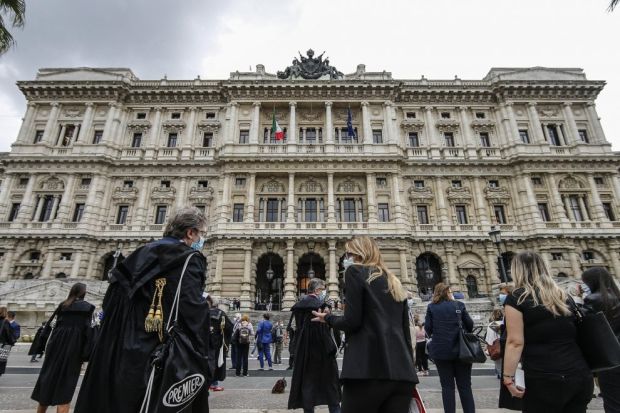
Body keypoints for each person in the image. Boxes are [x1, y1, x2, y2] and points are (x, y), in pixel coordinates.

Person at [74, 207, 211, 413]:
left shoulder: (138, 254)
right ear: (190, 233)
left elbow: (110, 304)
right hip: (159, 352)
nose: (201, 239)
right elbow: (192, 311)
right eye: (201, 234)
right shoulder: (188, 259)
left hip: (119, 351)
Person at [313, 236, 418, 413]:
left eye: (349, 254)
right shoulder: (394, 281)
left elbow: (352, 321)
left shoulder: (355, 272)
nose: (347, 258)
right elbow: (405, 332)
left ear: (359, 255)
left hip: (368, 370)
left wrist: (328, 319)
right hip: (402, 374)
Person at [503, 251, 592, 412]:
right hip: (579, 374)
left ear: (517, 271)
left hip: (545, 377)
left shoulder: (517, 298)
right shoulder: (563, 296)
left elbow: (515, 342)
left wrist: (508, 378)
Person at [31, 283, 95, 413]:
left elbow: (50, 326)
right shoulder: (88, 308)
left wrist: (43, 347)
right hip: (74, 350)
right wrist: (86, 355)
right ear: (84, 293)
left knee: (47, 383)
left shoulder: (63, 305)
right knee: (66, 387)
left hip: (55, 347)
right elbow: (90, 332)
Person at [289, 278, 341, 413]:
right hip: (323, 350)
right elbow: (331, 331)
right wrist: (334, 347)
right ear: (317, 290)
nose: (324, 293)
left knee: (308, 386)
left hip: (304, 351)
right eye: (323, 290)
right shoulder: (322, 306)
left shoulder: (299, 306)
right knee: (331, 388)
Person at [425, 282, 475, 413]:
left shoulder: (431, 307)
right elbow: (470, 325)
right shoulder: (459, 305)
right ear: (448, 292)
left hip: (441, 351)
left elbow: (428, 329)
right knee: (465, 386)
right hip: (462, 351)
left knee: (447, 387)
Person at [582, 267, 620, 413]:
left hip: (610, 357)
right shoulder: (617, 295)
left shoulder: (593, 299)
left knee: (613, 401)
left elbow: (585, 327)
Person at [206, 296, 233, 392]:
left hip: (204, 342)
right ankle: (214, 384)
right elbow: (229, 328)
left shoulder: (203, 312)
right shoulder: (221, 314)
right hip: (217, 343)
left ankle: (208, 383)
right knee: (217, 363)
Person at [485, 308, 503, 379]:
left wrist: (487, 348)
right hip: (507, 348)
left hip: (496, 350)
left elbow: (489, 340)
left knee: (500, 369)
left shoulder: (491, 325)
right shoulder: (506, 323)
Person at [0, 306, 17, 377]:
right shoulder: (5, 321)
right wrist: (12, 342)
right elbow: (9, 334)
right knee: (1, 362)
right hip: (2, 345)